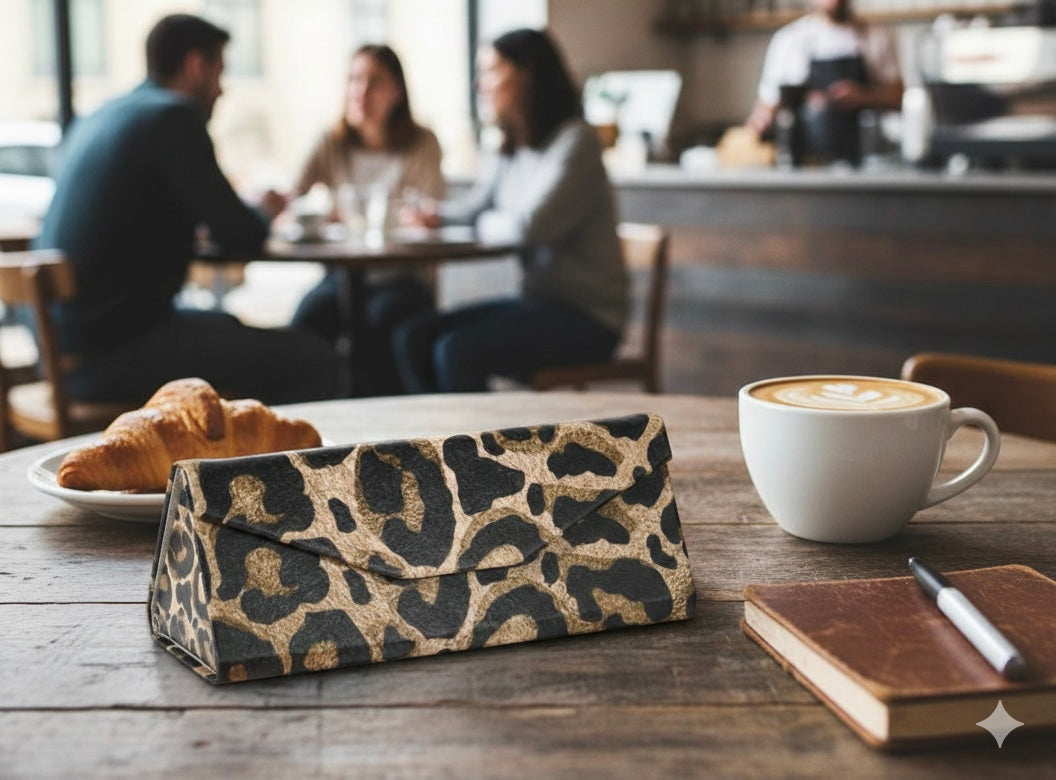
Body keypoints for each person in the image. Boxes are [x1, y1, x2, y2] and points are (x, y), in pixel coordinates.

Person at [34, 14, 339, 404]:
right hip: (111, 356)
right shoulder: (172, 117)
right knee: (313, 358)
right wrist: (264, 208)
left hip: (63, 353)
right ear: (196, 65)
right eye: (219, 72)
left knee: (228, 327)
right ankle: (275, 465)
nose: (222, 91)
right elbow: (242, 234)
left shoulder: (102, 114)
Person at [394, 28, 627, 393]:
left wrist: (489, 223)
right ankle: (438, 444)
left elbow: (529, 228)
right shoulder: (513, 144)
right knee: (413, 336)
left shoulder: (576, 142)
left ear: (527, 74)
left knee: (457, 351)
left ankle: (472, 450)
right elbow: (475, 210)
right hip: (537, 303)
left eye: (490, 71)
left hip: (589, 318)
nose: (480, 84)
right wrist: (436, 216)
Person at [291, 44, 444, 397]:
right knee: (308, 321)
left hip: (401, 275)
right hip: (342, 275)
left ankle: (381, 438)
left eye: (374, 81)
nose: (361, 91)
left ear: (398, 92)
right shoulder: (330, 140)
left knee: (381, 325)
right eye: (354, 80)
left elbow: (426, 212)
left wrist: (420, 218)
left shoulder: (421, 143)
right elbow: (293, 199)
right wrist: (313, 210)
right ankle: (306, 432)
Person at [745, 0, 902, 165]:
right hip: (806, 165)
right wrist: (763, 120)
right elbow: (767, 105)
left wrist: (863, 96)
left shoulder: (877, 36)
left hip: (865, 162)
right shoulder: (788, 40)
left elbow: (897, 97)